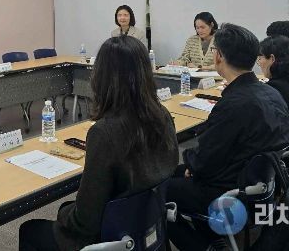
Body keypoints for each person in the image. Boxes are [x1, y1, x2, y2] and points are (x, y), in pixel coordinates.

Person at [19, 36, 178, 250]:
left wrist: (63, 214)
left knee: (30, 229)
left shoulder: (104, 132)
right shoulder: (163, 115)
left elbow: (85, 223)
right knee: (68, 207)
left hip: (111, 236)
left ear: (102, 77)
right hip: (145, 223)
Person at [167, 23, 289, 251]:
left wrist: (192, 167)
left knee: (155, 192)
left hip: (229, 192)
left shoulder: (233, 104)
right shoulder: (272, 93)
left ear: (219, 56)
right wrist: (193, 167)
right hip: (262, 187)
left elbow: (203, 162)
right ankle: (212, 237)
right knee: (174, 172)